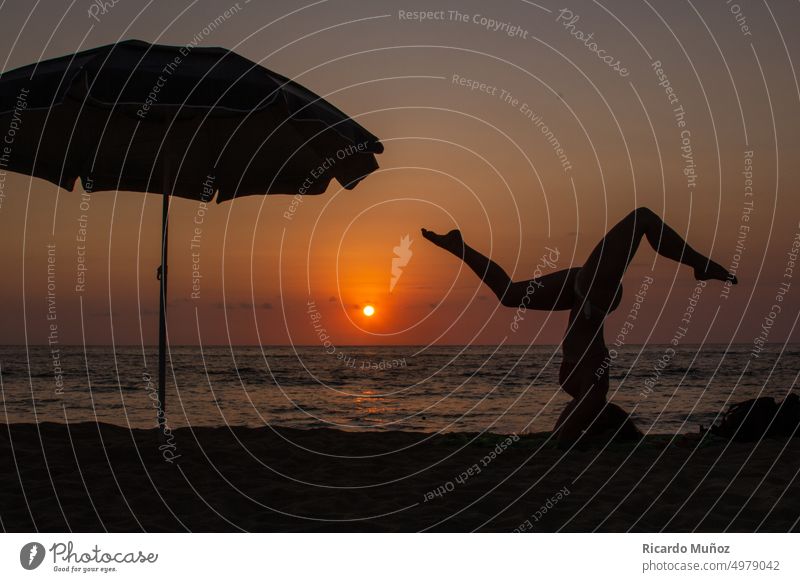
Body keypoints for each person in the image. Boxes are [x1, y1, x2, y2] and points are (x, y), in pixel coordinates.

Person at [422, 207, 736, 445]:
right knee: (642, 218)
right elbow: (564, 438)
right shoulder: (595, 392)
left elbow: (561, 437)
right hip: (591, 294)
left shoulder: (588, 396)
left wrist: (575, 438)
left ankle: (457, 246)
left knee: (509, 294)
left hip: (584, 294)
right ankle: (700, 264)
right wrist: (577, 437)